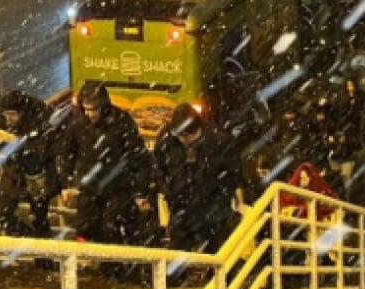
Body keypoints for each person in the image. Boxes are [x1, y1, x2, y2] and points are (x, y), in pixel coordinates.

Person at [69, 83, 156, 249]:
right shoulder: (79, 123)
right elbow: (68, 151)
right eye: (85, 109)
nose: (89, 114)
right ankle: (102, 260)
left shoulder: (121, 121)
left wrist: (139, 189)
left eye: (92, 109)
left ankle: (116, 265)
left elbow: (137, 155)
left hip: (117, 185)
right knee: (85, 224)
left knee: (113, 226)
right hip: (91, 184)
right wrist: (67, 181)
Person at [155, 104, 240, 255]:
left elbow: (232, 175)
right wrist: (168, 192)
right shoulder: (166, 141)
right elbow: (158, 170)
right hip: (181, 208)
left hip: (213, 210)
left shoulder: (219, 141)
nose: (185, 141)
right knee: (175, 258)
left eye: (189, 136)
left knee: (219, 257)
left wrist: (219, 200)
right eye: (180, 136)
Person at [0, 91, 60, 247]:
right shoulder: (7, 121)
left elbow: (44, 150)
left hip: (38, 175)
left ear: (22, 113)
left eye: (12, 115)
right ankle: (31, 240)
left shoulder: (42, 119)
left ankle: (44, 255)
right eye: (5, 115)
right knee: (2, 212)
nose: (8, 119)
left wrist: (19, 143)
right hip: (15, 172)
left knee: (39, 217)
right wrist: (3, 141)